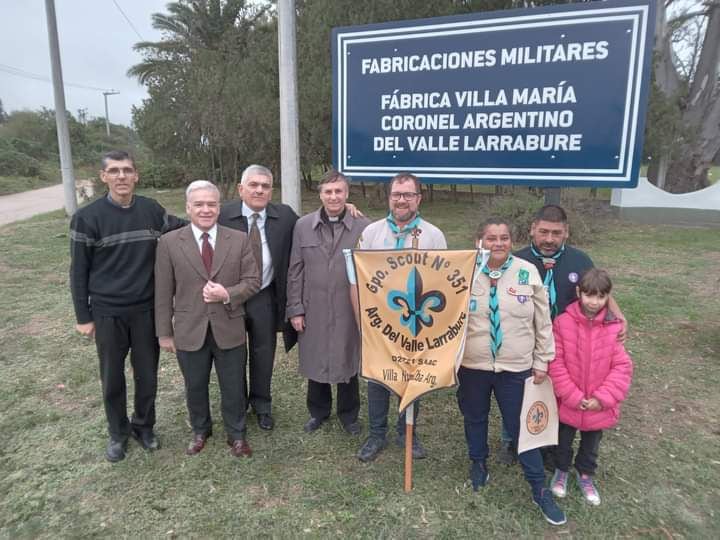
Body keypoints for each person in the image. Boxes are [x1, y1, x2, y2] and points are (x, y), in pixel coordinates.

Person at [69, 150, 184, 462]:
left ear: (136, 176)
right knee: (113, 376)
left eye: (127, 170)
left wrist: (217, 220)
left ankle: (144, 427)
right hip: (107, 312)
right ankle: (118, 433)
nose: (122, 176)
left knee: (147, 374)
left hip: (146, 310)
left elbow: (180, 226)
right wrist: (84, 316)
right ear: (104, 176)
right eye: (115, 171)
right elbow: (78, 271)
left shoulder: (150, 209)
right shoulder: (87, 217)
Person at [496, 204, 627, 466]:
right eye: (543, 231)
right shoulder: (517, 261)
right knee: (521, 390)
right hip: (524, 340)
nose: (549, 239)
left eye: (556, 233)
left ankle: (550, 442)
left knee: (559, 392)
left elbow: (598, 289)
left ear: (566, 232)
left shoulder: (580, 260)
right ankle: (513, 439)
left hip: (569, 341)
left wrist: (618, 314)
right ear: (532, 228)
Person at [457, 217, 566, 526]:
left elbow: (542, 321)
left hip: (516, 366)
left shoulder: (526, 271)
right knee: (474, 417)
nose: (498, 243)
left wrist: (542, 360)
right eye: (491, 238)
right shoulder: (465, 271)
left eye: (504, 238)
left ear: (512, 240)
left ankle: (538, 487)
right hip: (473, 365)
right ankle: (478, 462)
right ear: (480, 240)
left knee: (522, 428)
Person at [154, 180, 260, 457]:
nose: (205, 209)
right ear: (188, 207)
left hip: (229, 325)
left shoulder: (238, 238)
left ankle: (236, 434)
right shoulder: (168, 243)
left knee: (234, 384)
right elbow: (163, 291)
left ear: (219, 207)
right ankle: (201, 430)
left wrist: (228, 293)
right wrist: (164, 333)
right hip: (190, 328)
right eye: (199, 204)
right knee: (195, 384)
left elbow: (253, 280)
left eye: (211, 204)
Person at [351, 172, 447, 463]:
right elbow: (357, 276)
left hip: (415, 323)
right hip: (380, 322)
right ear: (389, 197)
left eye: (408, 194)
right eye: (397, 194)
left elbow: (441, 283)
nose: (401, 200)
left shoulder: (433, 235)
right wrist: (364, 325)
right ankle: (376, 434)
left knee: (412, 380)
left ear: (419, 198)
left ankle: (408, 433)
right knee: (378, 379)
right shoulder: (371, 233)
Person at [286, 170, 371, 435]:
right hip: (315, 306)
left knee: (348, 358)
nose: (334, 196)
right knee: (315, 358)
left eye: (339, 191)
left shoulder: (364, 226)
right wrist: (295, 309)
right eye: (328, 191)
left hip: (350, 308)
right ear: (320, 194)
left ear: (347, 194)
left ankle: (349, 415)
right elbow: (295, 270)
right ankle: (318, 412)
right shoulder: (303, 226)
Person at [218, 165, 299, 431]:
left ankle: (262, 405)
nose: (259, 190)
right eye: (253, 185)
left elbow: (313, 226)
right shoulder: (222, 215)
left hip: (265, 296)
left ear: (270, 191)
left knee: (263, 354)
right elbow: (193, 223)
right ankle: (237, 403)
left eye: (265, 186)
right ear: (241, 189)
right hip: (231, 298)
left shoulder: (284, 216)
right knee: (233, 354)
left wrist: (348, 208)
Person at [548, 269, 633, 506]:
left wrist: (602, 398)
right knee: (562, 441)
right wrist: (572, 396)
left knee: (591, 444)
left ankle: (585, 474)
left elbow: (621, 367)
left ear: (608, 297)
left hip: (598, 406)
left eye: (600, 297)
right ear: (579, 293)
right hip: (569, 402)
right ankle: (561, 471)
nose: (594, 302)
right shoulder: (562, 323)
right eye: (589, 296)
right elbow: (556, 363)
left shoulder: (613, 327)